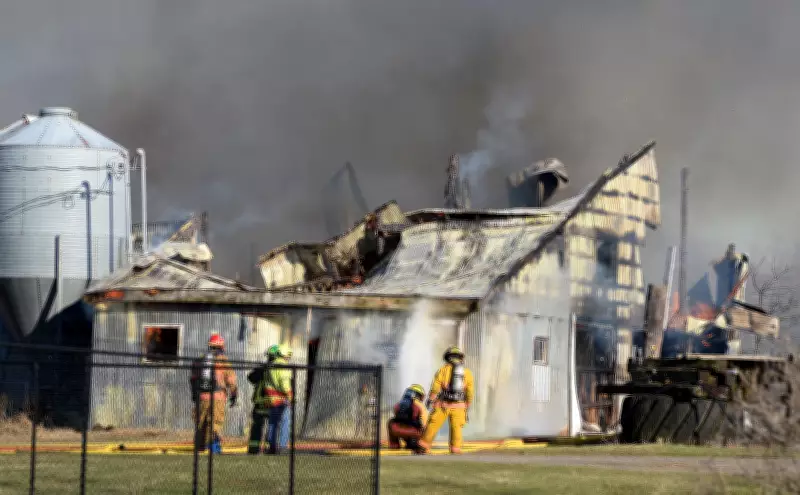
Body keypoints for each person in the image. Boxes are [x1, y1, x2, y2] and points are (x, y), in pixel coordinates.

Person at [418, 346, 475, 454]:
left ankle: (423, 446)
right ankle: (455, 449)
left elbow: (435, 387)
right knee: (456, 428)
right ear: (460, 358)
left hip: (442, 404)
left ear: (447, 358)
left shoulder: (442, 370)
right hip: (459, 406)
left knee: (433, 424)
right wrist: (468, 403)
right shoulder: (467, 372)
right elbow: (470, 391)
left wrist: (430, 399)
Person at [190, 334, 238, 454]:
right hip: (218, 396)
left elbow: (193, 379)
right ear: (222, 346)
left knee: (201, 422)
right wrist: (234, 394)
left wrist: (195, 394)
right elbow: (230, 380)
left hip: (202, 396)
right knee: (215, 422)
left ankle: (199, 448)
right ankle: (214, 449)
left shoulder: (200, 360)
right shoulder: (223, 360)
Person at [247, 344, 280, 454]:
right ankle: (268, 449)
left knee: (258, 427)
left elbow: (251, 378)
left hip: (261, 402)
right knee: (272, 427)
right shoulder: (279, 370)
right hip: (272, 402)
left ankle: (254, 449)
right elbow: (251, 378)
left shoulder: (263, 368)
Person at [262, 344, 294, 454]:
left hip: (271, 398)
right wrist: (290, 396)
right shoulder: (283, 365)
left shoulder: (270, 366)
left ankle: (271, 446)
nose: (289, 358)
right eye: (289, 356)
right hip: (282, 399)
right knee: (285, 422)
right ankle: (283, 446)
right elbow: (285, 384)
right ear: (286, 355)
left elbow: (267, 383)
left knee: (272, 423)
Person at [387, 384, 428, 453]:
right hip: (412, 432)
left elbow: (396, 413)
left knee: (391, 422)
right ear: (418, 395)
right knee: (421, 430)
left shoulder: (399, 403)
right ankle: (414, 445)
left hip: (395, 429)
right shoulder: (419, 405)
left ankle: (394, 445)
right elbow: (425, 422)